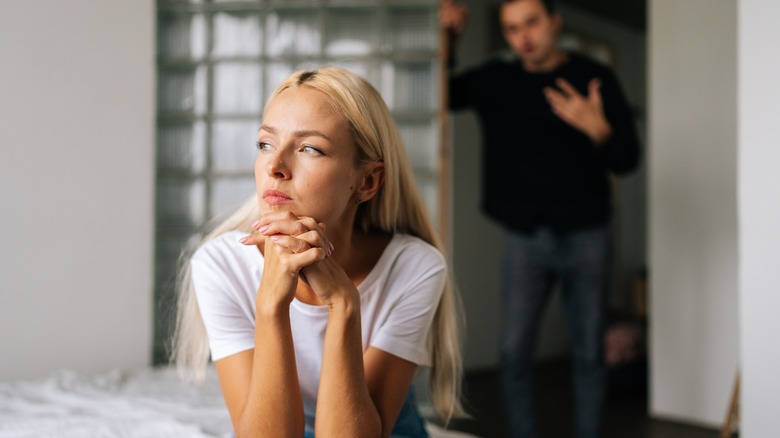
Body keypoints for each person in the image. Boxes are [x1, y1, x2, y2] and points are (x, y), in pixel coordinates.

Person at [171, 67, 467, 437]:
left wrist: (344, 304)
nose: (275, 167)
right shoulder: (220, 265)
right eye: (265, 144)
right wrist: (271, 304)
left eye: (310, 148)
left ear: (367, 181)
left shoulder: (414, 268)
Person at [441, 1, 641, 437]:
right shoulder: (496, 80)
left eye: (531, 22)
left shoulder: (595, 78)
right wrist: (451, 37)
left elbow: (628, 160)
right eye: (511, 28)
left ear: (555, 21)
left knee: (589, 353)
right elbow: (445, 93)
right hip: (524, 237)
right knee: (513, 354)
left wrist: (599, 130)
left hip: (588, 233)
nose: (523, 36)